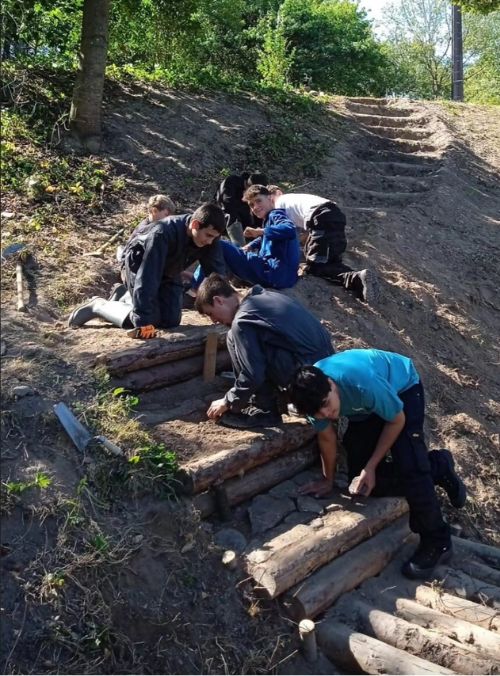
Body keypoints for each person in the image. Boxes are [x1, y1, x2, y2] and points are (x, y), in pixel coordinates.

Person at [287, 349, 467, 579]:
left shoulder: (362, 382)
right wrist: (327, 480)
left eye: (327, 403)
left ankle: (438, 541)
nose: (327, 413)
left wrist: (371, 466)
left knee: (411, 465)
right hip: (366, 408)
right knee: (362, 483)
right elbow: (327, 437)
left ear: (331, 384)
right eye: (318, 412)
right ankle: (438, 466)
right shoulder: (311, 398)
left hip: (403, 390)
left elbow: (396, 420)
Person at [195, 273, 334, 428]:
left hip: (310, 382)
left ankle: (265, 411)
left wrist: (228, 400)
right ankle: (282, 402)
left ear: (218, 300)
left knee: (233, 337)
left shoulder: (242, 321)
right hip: (327, 372)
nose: (213, 321)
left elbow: (253, 373)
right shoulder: (267, 297)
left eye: (210, 313)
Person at [68, 203, 226, 338]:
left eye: (214, 237)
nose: (209, 241)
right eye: (208, 235)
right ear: (195, 225)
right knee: (149, 319)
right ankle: (99, 306)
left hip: (169, 271)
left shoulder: (210, 239)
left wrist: (225, 306)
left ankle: (125, 297)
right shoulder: (162, 233)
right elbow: (147, 277)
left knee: (170, 321)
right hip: (139, 267)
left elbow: (216, 276)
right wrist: (143, 322)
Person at [259, 187, 379, 304]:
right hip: (335, 215)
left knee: (316, 266)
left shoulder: (279, 206)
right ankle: (362, 280)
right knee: (330, 260)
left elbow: (288, 235)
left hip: (320, 219)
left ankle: (357, 278)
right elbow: (305, 234)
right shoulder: (295, 198)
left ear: (270, 197)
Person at [193, 184, 300, 291]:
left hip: (271, 272)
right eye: (251, 205)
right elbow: (267, 237)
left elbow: (289, 229)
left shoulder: (276, 214)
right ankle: (210, 285)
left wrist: (259, 231)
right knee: (232, 247)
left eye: (259, 201)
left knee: (218, 244)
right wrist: (250, 245)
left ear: (269, 198)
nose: (255, 207)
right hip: (279, 276)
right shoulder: (269, 218)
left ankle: (194, 288)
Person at [214, 171, 268, 246]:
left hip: (247, 220)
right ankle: (240, 248)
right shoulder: (232, 181)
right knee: (232, 216)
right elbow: (227, 204)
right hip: (228, 217)